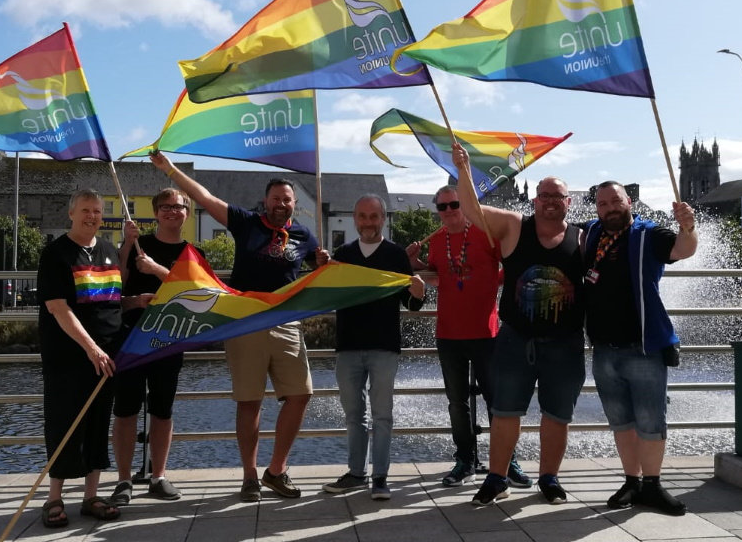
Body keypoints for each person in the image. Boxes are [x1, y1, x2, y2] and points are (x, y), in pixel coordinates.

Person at [151, 151, 325, 501]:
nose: (281, 204)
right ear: (265, 201)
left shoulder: (305, 236)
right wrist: (169, 170)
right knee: (249, 402)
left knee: (301, 395)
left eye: (287, 199)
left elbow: (320, 269)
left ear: (294, 204)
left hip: (286, 322)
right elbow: (205, 198)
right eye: (275, 198)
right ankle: (249, 475)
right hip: (245, 322)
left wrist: (323, 261)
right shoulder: (247, 222)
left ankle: (276, 470)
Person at [448, 145, 587, 506]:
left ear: (569, 202)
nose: (550, 201)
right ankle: (497, 478)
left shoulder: (584, 237)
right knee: (506, 412)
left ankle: (549, 478)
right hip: (515, 339)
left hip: (565, 342)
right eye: (543, 195)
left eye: (557, 196)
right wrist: (463, 169)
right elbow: (471, 210)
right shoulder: (513, 226)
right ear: (535, 200)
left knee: (557, 415)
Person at [405, 185, 531, 489]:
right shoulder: (435, 240)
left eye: (455, 204)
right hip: (448, 334)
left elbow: (509, 267)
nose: (449, 211)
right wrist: (415, 263)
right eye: (442, 207)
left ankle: (507, 462)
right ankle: (464, 460)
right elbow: (436, 276)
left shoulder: (487, 233)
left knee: (497, 403)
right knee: (456, 403)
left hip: (487, 333)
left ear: (467, 204)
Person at [583, 181, 696, 516]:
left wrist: (687, 225)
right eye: (602, 204)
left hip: (644, 348)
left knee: (651, 420)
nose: (609, 208)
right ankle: (632, 481)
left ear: (628, 201)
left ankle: (653, 485)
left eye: (615, 201)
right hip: (603, 349)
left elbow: (683, 249)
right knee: (621, 421)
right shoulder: (589, 234)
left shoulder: (649, 233)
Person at [37, 189, 148, 527]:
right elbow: (58, 308)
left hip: (108, 356)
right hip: (70, 355)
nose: (92, 216)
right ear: (71, 214)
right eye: (86, 210)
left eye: (97, 211)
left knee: (99, 422)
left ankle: (91, 495)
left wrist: (135, 301)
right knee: (65, 422)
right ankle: (54, 497)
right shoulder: (56, 254)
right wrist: (91, 348)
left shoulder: (108, 251)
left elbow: (108, 301)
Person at [320, 195, 426, 501]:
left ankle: (380, 477)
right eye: (363, 216)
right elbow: (330, 298)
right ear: (355, 219)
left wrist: (419, 293)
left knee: (382, 416)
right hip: (348, 347)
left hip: (384, 347)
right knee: (353, 415)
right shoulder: (343, 254)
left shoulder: (395, 255)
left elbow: (411, 304)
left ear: (383, 219)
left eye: (374, 216)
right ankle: (356, 473)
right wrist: (323, 272)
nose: (368, 222)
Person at [109, 188, 202, 506]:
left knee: (163, 411)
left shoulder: (193, 252)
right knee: (125, 411)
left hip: (169, 339)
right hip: (132, 337)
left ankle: (158, 476)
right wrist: (125, 245)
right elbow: (117, 281)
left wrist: (158, 271)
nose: (172, 211)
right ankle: (123, 480)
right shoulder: (139, 244)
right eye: (165, 206)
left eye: (178, 206)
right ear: (156, 211)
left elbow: (199, 294)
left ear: (187, 212)